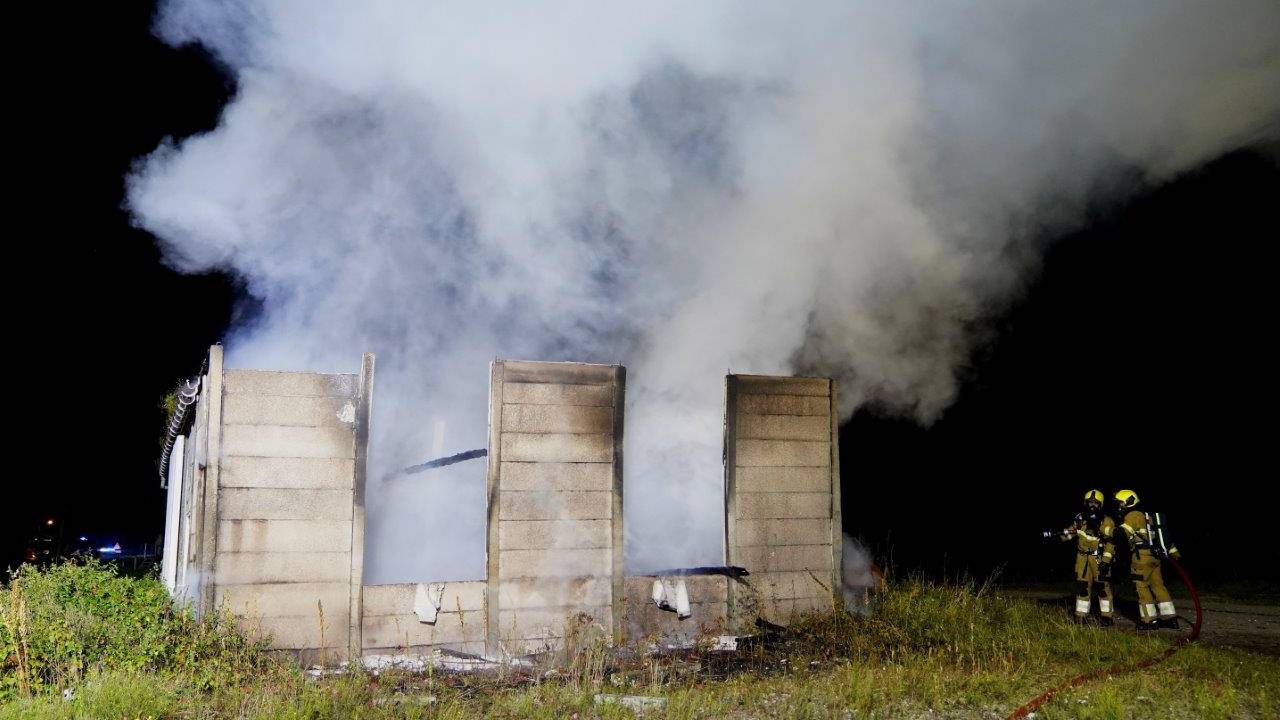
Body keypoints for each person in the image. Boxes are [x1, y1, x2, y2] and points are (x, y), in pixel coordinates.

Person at [1112, 489, 1181, 629]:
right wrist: (1176, 555)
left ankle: (1149, 621)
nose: (1119, 506)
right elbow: (1164, 539)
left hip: (1141, 557)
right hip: (1155, 557)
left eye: (1121, 503)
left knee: (1141, 587)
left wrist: (1105, 531)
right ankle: (1171, 618)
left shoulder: (1133, 515)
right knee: (1158, 586)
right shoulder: (1147, 516)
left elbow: (1121, 534)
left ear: (1128, 502)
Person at [1056, 489, 1116, 625]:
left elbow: (1111, 543)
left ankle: (1107, 617)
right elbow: (1071, 532)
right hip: (1082, 558)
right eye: (1090, 502)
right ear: (1085, 503)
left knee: (1103, 587)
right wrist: (1059, 537)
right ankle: (1081, 616)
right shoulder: (1080, 518)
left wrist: (1106, 561)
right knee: (1082, 587)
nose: (1092, 505)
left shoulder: (1106, 521)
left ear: (1101, 504)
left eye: (1095, 503)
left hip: (1098, 558)